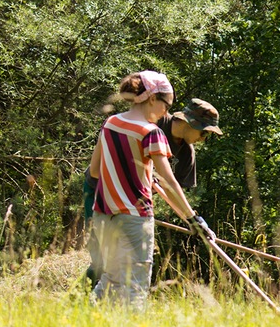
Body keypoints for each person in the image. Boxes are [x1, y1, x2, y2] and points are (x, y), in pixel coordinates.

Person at [87, 70, 211, 310]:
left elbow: (94, 170)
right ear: (152, 98)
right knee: (136, 287)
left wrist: (138, 176)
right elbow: (170, 182)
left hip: (103, 214)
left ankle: (86, 322)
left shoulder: (111, 123)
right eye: (167, 105)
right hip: (134, 219)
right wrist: (193, 219)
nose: (167, 112)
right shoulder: (152, 133)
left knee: (110, 279)